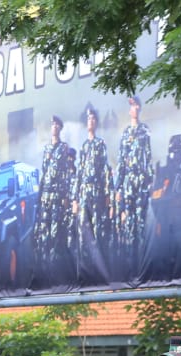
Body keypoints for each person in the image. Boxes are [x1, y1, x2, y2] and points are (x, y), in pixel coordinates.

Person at [115, 95, 154, 276]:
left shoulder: (145, 131)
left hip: (142, 186)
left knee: (140, 226)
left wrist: (151, 182)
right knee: (127, 226)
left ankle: (140, 270)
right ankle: (129, 270)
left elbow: (149, 157)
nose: (134, 108)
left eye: (137, 105)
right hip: (128, 185)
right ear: (129, 110)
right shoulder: (125, 134)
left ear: (140, 108)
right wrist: (118, 189)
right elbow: (121, 163)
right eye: (131, 106)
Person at [35, 115, 75, 271]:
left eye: (57, 125)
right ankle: (43, 266)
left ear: (60, 129)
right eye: (52, 125)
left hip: (57, 196)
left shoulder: (63, 148)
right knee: (43, 231)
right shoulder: (46, 149)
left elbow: (65, 173)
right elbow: (44, 172)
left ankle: (53, 267)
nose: (54, 127)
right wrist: (39, 197)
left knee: (54, 232)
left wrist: (65, 196)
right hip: (45, 196)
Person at [73, 106, 113, 259]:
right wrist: (75, 199)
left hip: (97, 193)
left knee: (97, 230)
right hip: (84, 194)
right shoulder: (84, 146)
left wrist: (108, 195)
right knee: (83, 229)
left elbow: (105, 170)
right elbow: (79, 172)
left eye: (93, 119)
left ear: (96, 123)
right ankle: (85, 267)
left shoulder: (100, 144)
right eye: (88, 118)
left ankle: (99, 267)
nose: (90, 121)